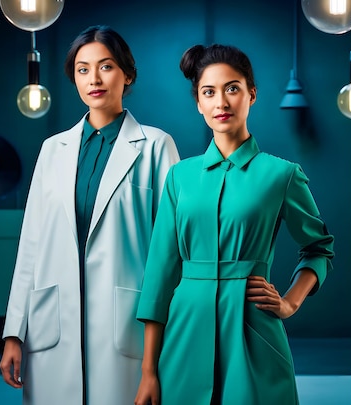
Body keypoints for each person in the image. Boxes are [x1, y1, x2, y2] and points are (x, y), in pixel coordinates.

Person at [134, 44, 334, 405]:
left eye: (232, 88)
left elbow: (319, 248)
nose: (221, 102)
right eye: (209, 92)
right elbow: (160, 274)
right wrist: (149, 371)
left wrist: (290, 303)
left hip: (253, 330)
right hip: (184, 332)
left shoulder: (282, 174)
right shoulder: (179, 177)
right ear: (198, 102)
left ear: (251, 94)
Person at [0, 25, 180, 405]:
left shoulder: (156, 146)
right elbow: (31, 244)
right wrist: (14, 332)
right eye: (83, 69)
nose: (94, 79)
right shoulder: (53, 150)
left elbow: (171, 251)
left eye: (106, 66)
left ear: (127, 74)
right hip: (52, 325)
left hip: (126, 324)